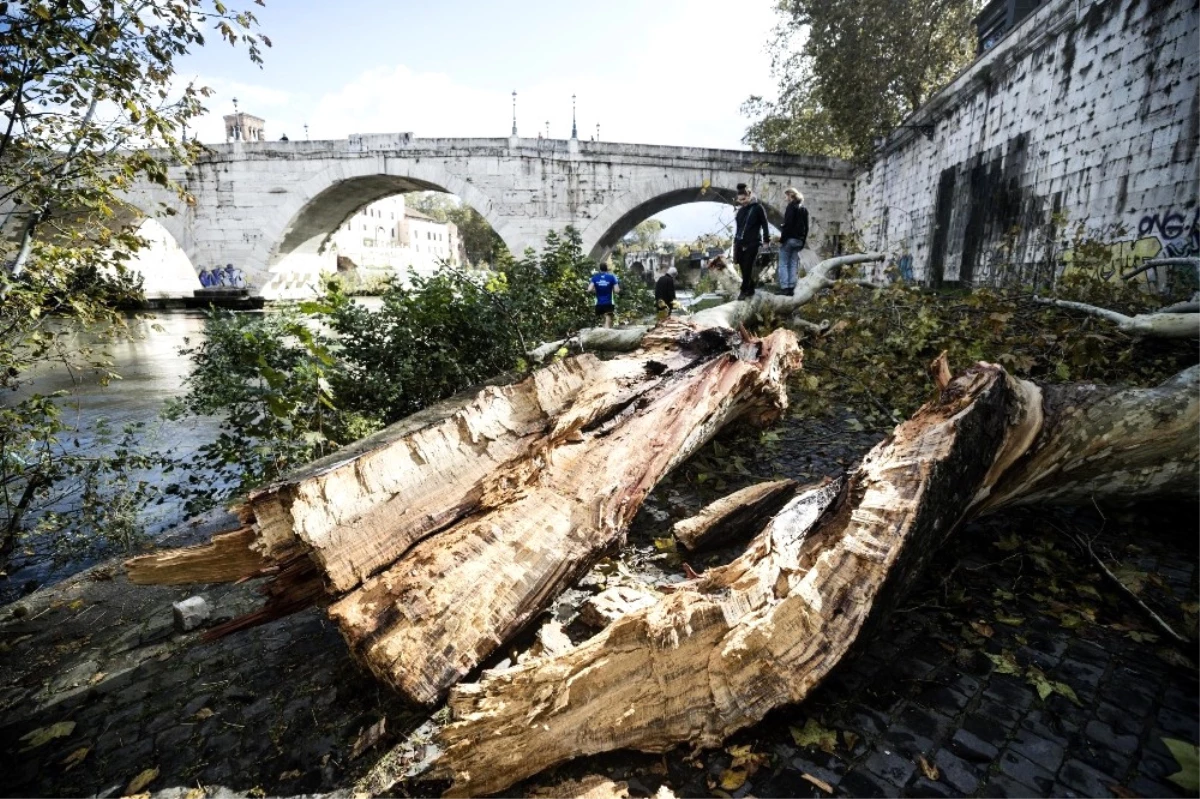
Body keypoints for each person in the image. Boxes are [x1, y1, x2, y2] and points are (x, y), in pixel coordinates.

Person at [732, 183, 770, 299]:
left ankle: (743, 291)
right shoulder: (740, 211)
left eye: (744, 199)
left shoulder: (758, 208)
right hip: (740, 243)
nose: (742, 202)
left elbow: (764, 224)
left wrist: (766, 240)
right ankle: (751, 287)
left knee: (748, 266)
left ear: (749, 196)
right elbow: (738, 229)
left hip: (753, 243)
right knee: (743, 268)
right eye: (740, 200)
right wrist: (735, 244)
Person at [778, 187, 809, 296]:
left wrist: (782, 240)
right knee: (793, 263)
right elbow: (806, 227)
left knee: (783, 263)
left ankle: (785, 287)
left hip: (789, 239)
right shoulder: (804, 209)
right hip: (799, 240)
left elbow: (788, 225)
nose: (785, 198)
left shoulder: (791, 207)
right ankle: (791, 288)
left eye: (786, 196)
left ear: (791, 195)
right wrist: (803, 241)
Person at [587, 263, 620, 328]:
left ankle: (603, 335)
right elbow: (617, 290)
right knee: (608, 321)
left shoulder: (595, 277)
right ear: (607, 268)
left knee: (603, 321)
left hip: (598, 303)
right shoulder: (612, 277)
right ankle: (607, 335)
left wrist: (596, 290)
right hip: (609, 303)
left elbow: (589, 289)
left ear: (600, 269)